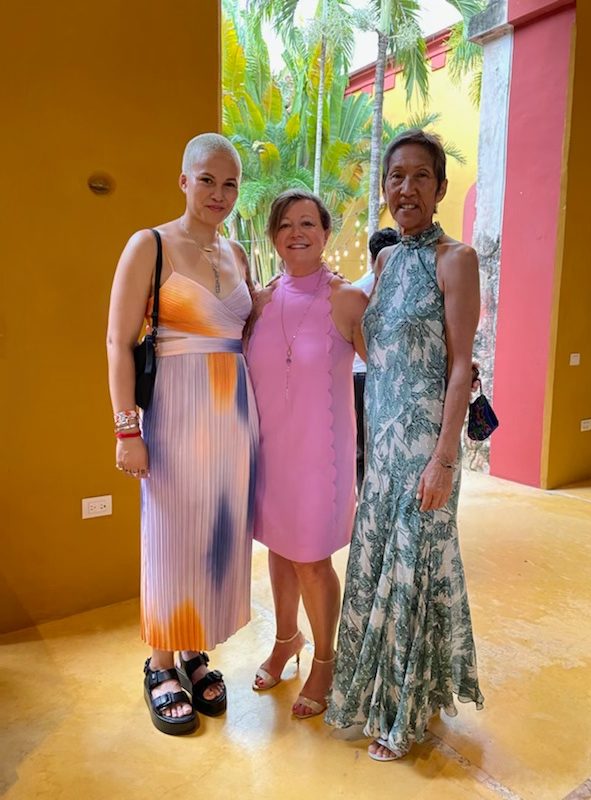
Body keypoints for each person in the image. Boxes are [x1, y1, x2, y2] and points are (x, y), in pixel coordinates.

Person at [325, 129, 484, 760]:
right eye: (396, 177)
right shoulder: (387, 262)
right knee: (381, 569)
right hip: (383, 449)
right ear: (385, 188)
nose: (407, 188)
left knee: (414, 573)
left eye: (421, 176)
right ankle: (383, 697)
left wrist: (445, 458)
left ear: (440, 188)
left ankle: (402, 713)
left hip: (426, 450)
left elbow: (462, 365)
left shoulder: (457, 259)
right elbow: (374, 347)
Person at [106, 133, 258, 735]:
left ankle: (194, 647)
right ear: (184, 181)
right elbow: (118, 341)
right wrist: (127, 428)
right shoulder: (150, 245)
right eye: (207, 180)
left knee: (216, 533)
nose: (219, 193)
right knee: (171, 535)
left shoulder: (238, 252)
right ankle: (161, 663)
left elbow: (254, 328)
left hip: (234, 418)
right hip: (175, 413)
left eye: (230, 183)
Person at [245, 189, 369, 719]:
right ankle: (286, 639)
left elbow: (391, 368)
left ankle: (325, 659)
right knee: (279, 549)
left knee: (312, 560)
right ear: (274, 236)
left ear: (325, 233)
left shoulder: (347, 300)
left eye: (308, 223)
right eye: (285, 224)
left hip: (322, 458)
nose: (296, 233)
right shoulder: (260, 301)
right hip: (272, 454)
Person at [352, 228, 401, 489]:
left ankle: (366, 495)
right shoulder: (399, 289)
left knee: (362, 446)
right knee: (379, 443)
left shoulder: (356, 289)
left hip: (360, 376)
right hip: (381, 375)